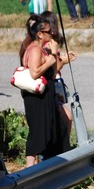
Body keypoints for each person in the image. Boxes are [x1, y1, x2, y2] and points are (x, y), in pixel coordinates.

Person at [19, 14, 72, 167]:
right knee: (37, 135)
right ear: (40, 34)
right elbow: (35, 72)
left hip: (45, 97)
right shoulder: (35, 49)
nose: (52, 34)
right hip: (37, 99)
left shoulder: (41, 48)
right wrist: (50, 59)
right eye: (48, 32)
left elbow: (53, 73)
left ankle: (54, 164)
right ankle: (29, 172)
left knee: (56, 129)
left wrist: (54, 53)